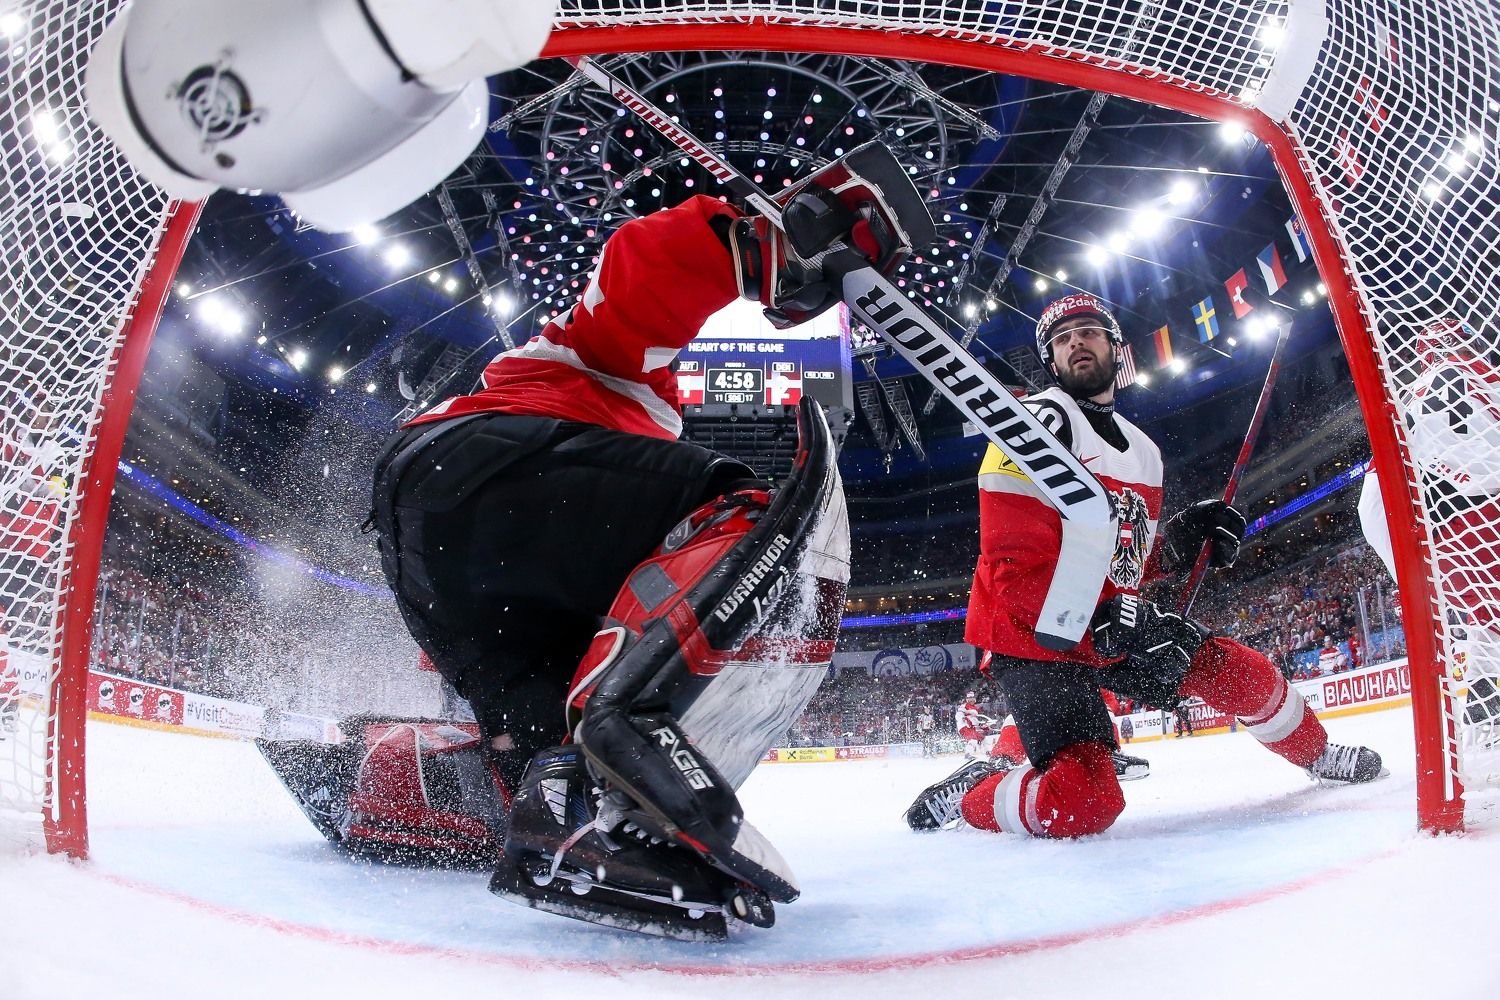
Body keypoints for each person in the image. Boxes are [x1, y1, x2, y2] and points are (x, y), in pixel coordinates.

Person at [268, 142, 932, 941]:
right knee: (737, 504)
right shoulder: (618, 371)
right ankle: (630, 719)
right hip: (481, 459)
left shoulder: (617, 510)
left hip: (445, 578)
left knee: (559, 759)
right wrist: (766, 246)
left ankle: (571, 825)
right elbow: (638, 272)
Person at [904, 292, 1385, 835]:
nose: (1075, 343)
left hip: (1110, 621)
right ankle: (975, 793)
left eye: (1086, 331)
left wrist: (1179, 543)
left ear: (1114, 347)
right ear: (1051, 363)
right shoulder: (1031, 428)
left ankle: (1318, 754)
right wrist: (1092, 622)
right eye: (1061, 340)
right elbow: (1010, 561)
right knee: (1083, 803)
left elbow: (1127, 558)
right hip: (1034, 636)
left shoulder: (1144, 452)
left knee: (1238, 670)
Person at [1359, 317, 1500, 748]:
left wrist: (1416, 582)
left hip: (1443, 529)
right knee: (1488, 632)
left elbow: (1372, 504)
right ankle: (1487, 710)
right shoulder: (1489, 376)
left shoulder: (1408, 398)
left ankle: (1485, 713)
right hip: (1485, 517)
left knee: (1484, 632)